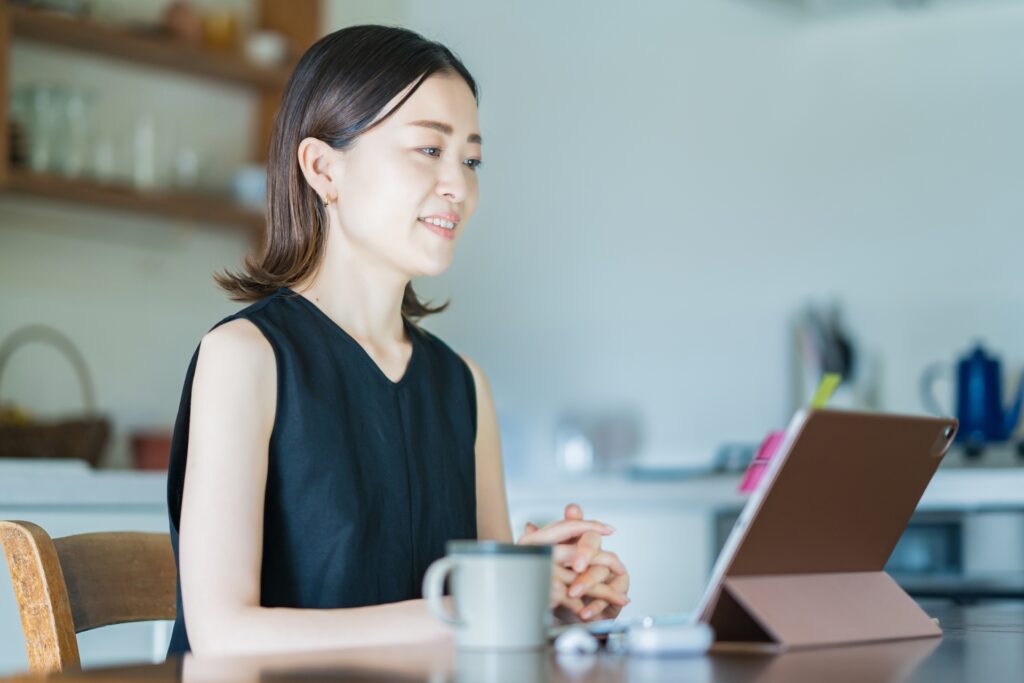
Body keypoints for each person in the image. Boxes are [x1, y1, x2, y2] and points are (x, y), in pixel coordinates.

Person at [165, 24, 630, 658]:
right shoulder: (244, 358)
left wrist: (553, 601)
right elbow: (222, 635)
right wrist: (470, 604)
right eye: (427, 150)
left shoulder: (464, 385)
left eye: (471, 159)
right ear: (323, 167)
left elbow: (485, 631)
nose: (458, 187)